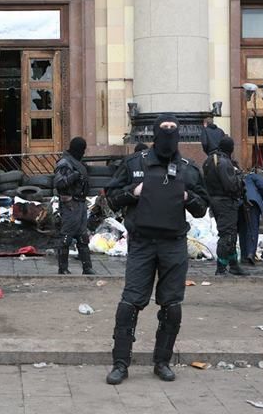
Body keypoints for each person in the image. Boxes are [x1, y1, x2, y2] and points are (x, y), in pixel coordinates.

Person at [105, 114, 209, 385]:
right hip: (142, 243)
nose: (169, 134)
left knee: (172, 306)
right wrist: (134, 192)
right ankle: (120, 363)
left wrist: (188, 197)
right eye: (164, 129)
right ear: (154, 133)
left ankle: (162, 361)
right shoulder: (134, 164)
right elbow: (112, 199)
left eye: (174, 129)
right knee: (129, 304)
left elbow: (202, 209)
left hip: (173, 244)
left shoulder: (188, 169)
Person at [202, 136, 249, 276]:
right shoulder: (224, 162)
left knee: (230, 234)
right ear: (231, 148)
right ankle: (221, 268)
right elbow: (231, 185)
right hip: (226, 202)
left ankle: (234, 265)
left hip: (215, 201)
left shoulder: (209, 160)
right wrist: (240, 179)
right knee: (227, 235)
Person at [54, 136, 96, 275]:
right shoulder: (65, 163)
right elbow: (59, 183)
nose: (83, 153)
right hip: (70, 204)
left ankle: (87, 268)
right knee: (66, 237)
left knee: (83, 237)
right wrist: (74, 176)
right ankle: (63, 268)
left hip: (81, 204)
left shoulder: (77, 162)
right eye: (82, 150)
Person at [237, 172, 263, 265]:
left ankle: (243, 255)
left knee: (242, 229)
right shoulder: (252, 176)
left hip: (240, 203)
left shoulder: (237, 176)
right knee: (252, 228)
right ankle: (251, 253)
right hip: (252, 202)